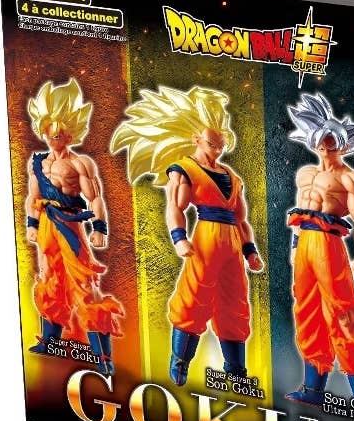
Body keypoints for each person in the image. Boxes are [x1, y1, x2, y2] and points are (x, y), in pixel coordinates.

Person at [111, 86, 263, 386]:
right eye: (211, 144)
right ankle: (179, 361)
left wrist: (250, 251)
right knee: (194, 298)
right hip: (204, 240)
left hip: (233, 244)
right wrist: (179, 237)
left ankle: (236, 370)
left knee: (235, 304)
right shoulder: (184, 169)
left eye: (220, 145)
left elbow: (241, 219)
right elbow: (174, 207)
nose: (217, 150)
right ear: (196, 139)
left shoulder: (232, 177)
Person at [24, 78, 123, 375]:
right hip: (46, 224)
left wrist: (100, 227)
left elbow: (95, 198)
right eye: (51, 131)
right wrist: (32, 223)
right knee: (49, 278)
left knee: (84, 283)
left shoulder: (81, 163)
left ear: (70, 133)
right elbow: (32, 196)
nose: (55, 137)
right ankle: (50, 341)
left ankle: (103, 356)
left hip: (70, 224)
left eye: (61, 132)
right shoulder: (37, 163)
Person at [285, 93, 354, 403]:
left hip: (329, 245)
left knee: (344, 312)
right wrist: (295, 245)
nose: (326, 149)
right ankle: (312, 390)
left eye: (332, 144)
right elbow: (299, 217)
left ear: (344, 146)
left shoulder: (352, 179)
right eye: (321, 144)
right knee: (307, 311)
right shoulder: (305, 175)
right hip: (305, 245)